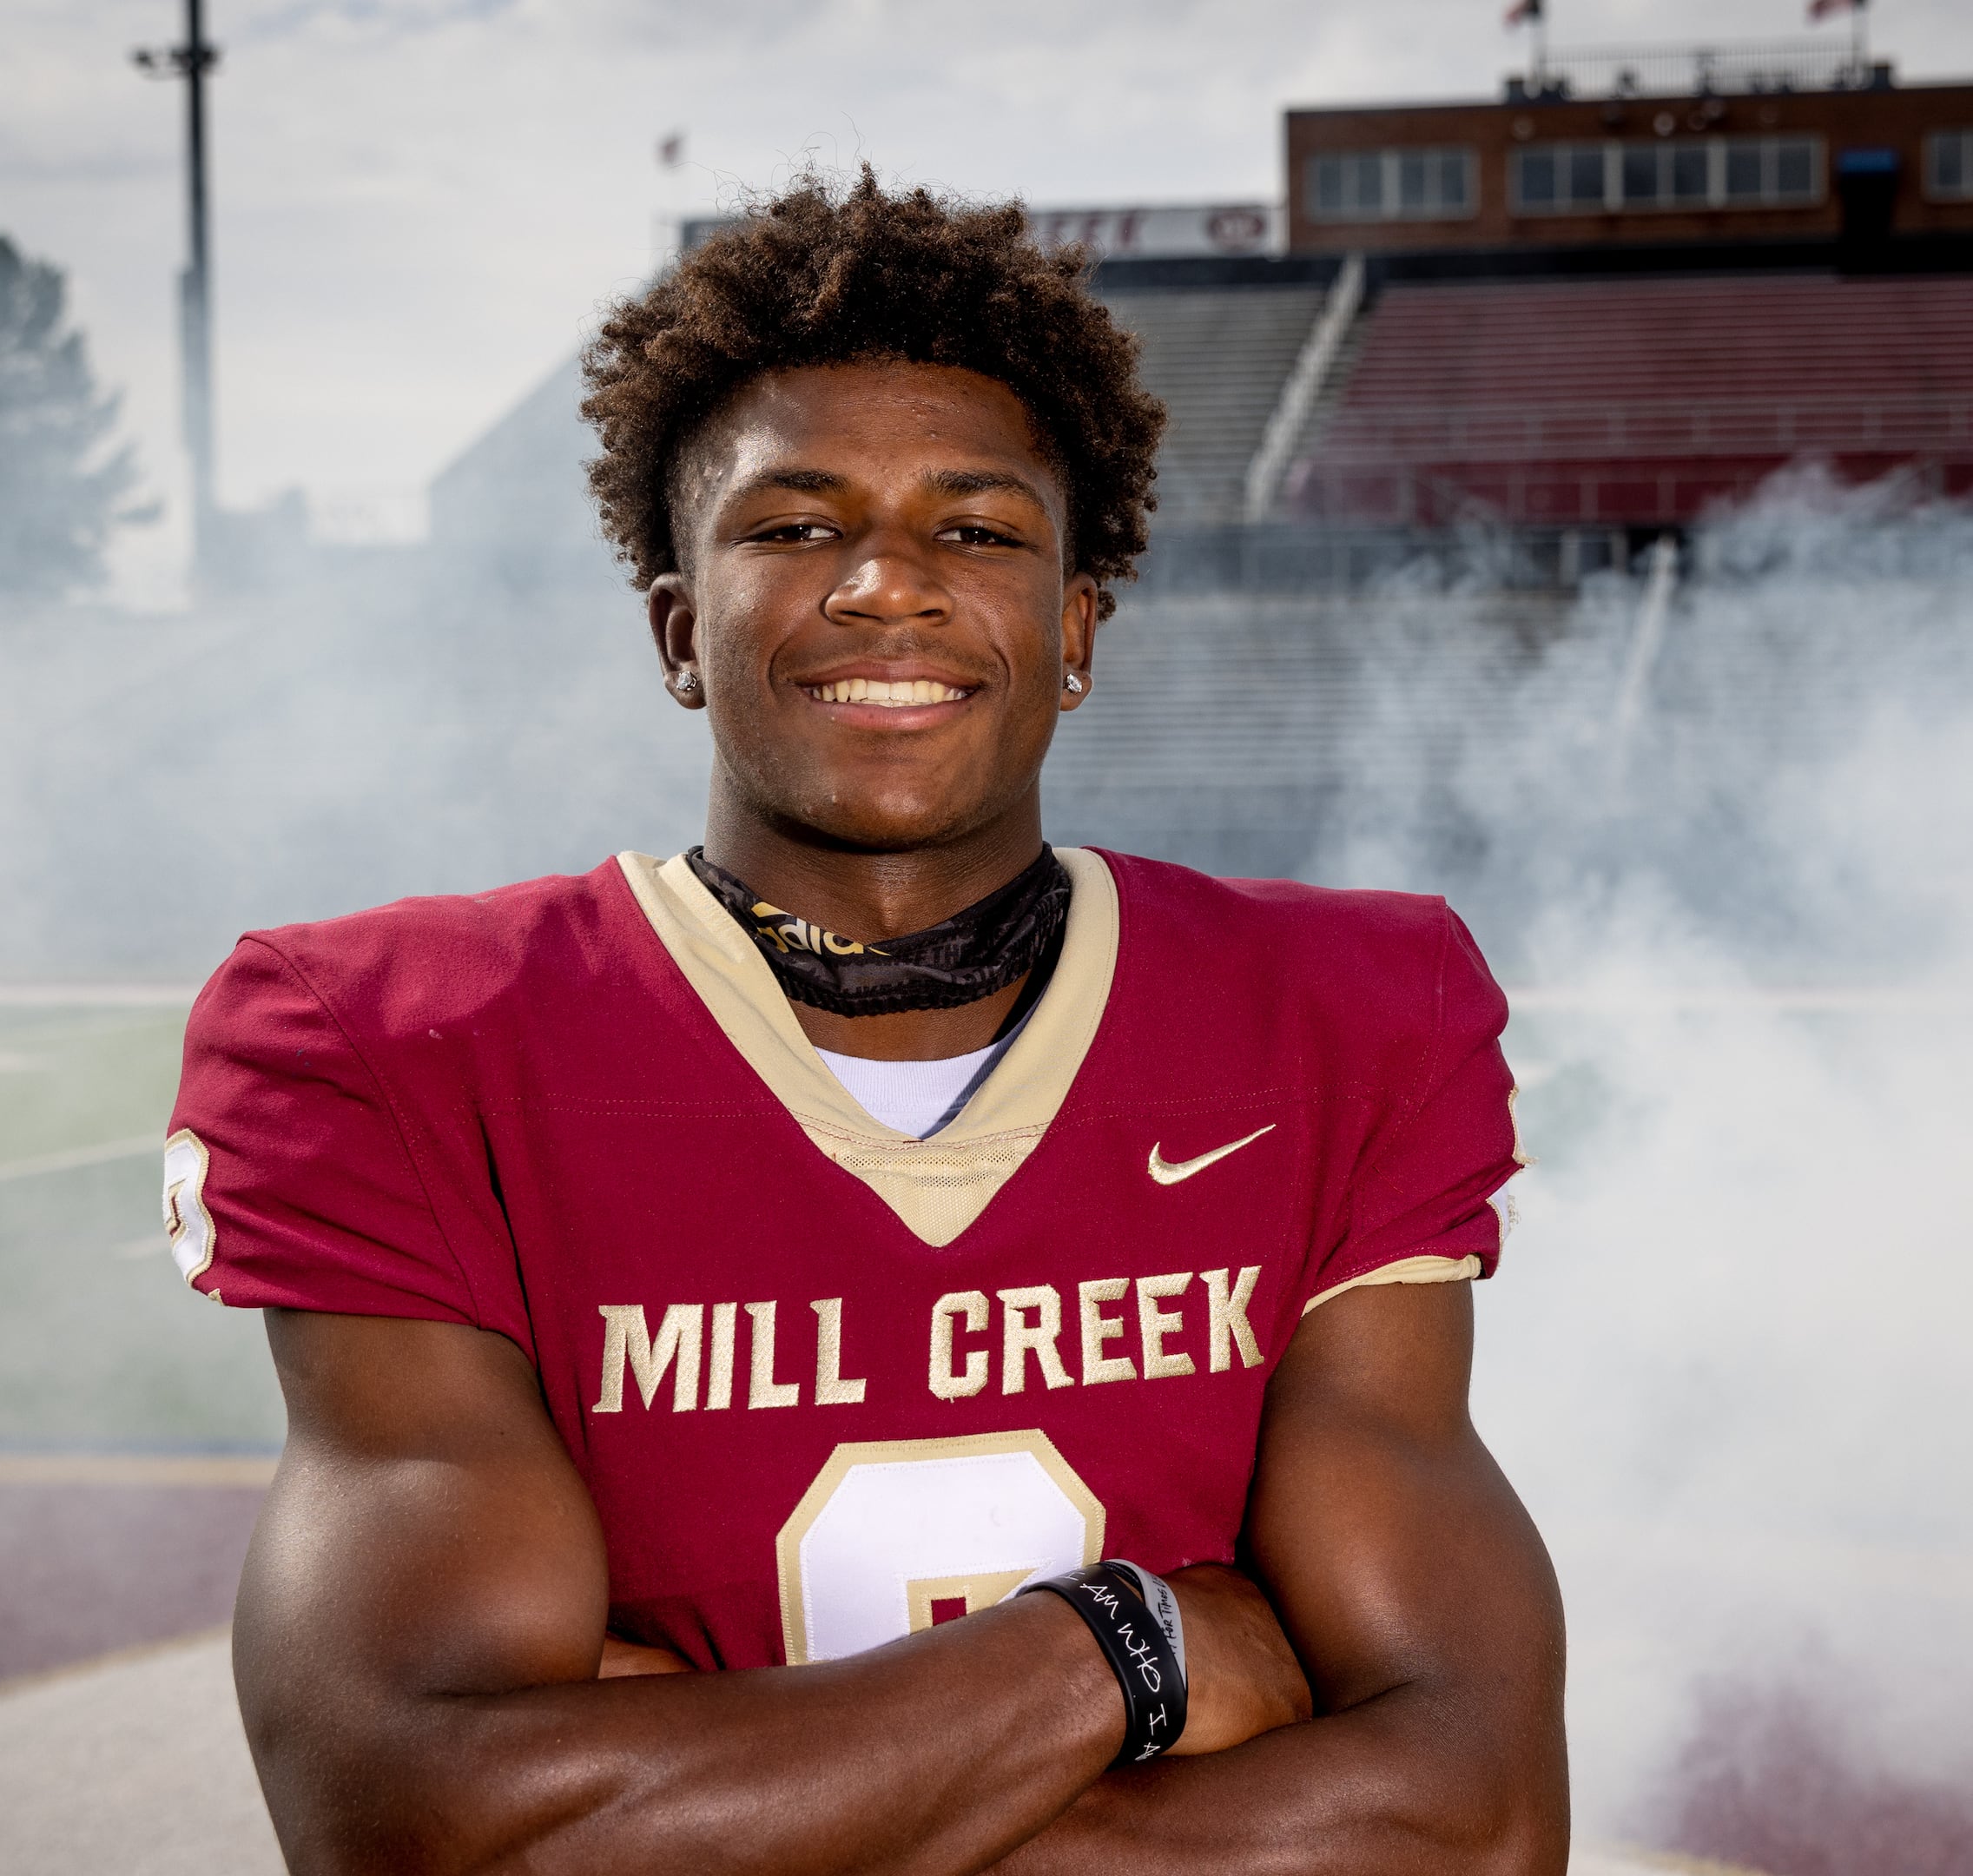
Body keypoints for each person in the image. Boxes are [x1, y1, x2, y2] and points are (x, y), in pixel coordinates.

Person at [163, 174, 1567, 1873]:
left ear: (1074, 634)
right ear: (682, 631)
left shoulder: (1351, 1017)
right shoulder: (387, 1045)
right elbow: (427, 1837)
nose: (887, 585)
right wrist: (1129, 1650)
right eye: (794, 524)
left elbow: (1475, 1823)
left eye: (975, 528)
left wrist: (707, 1806)